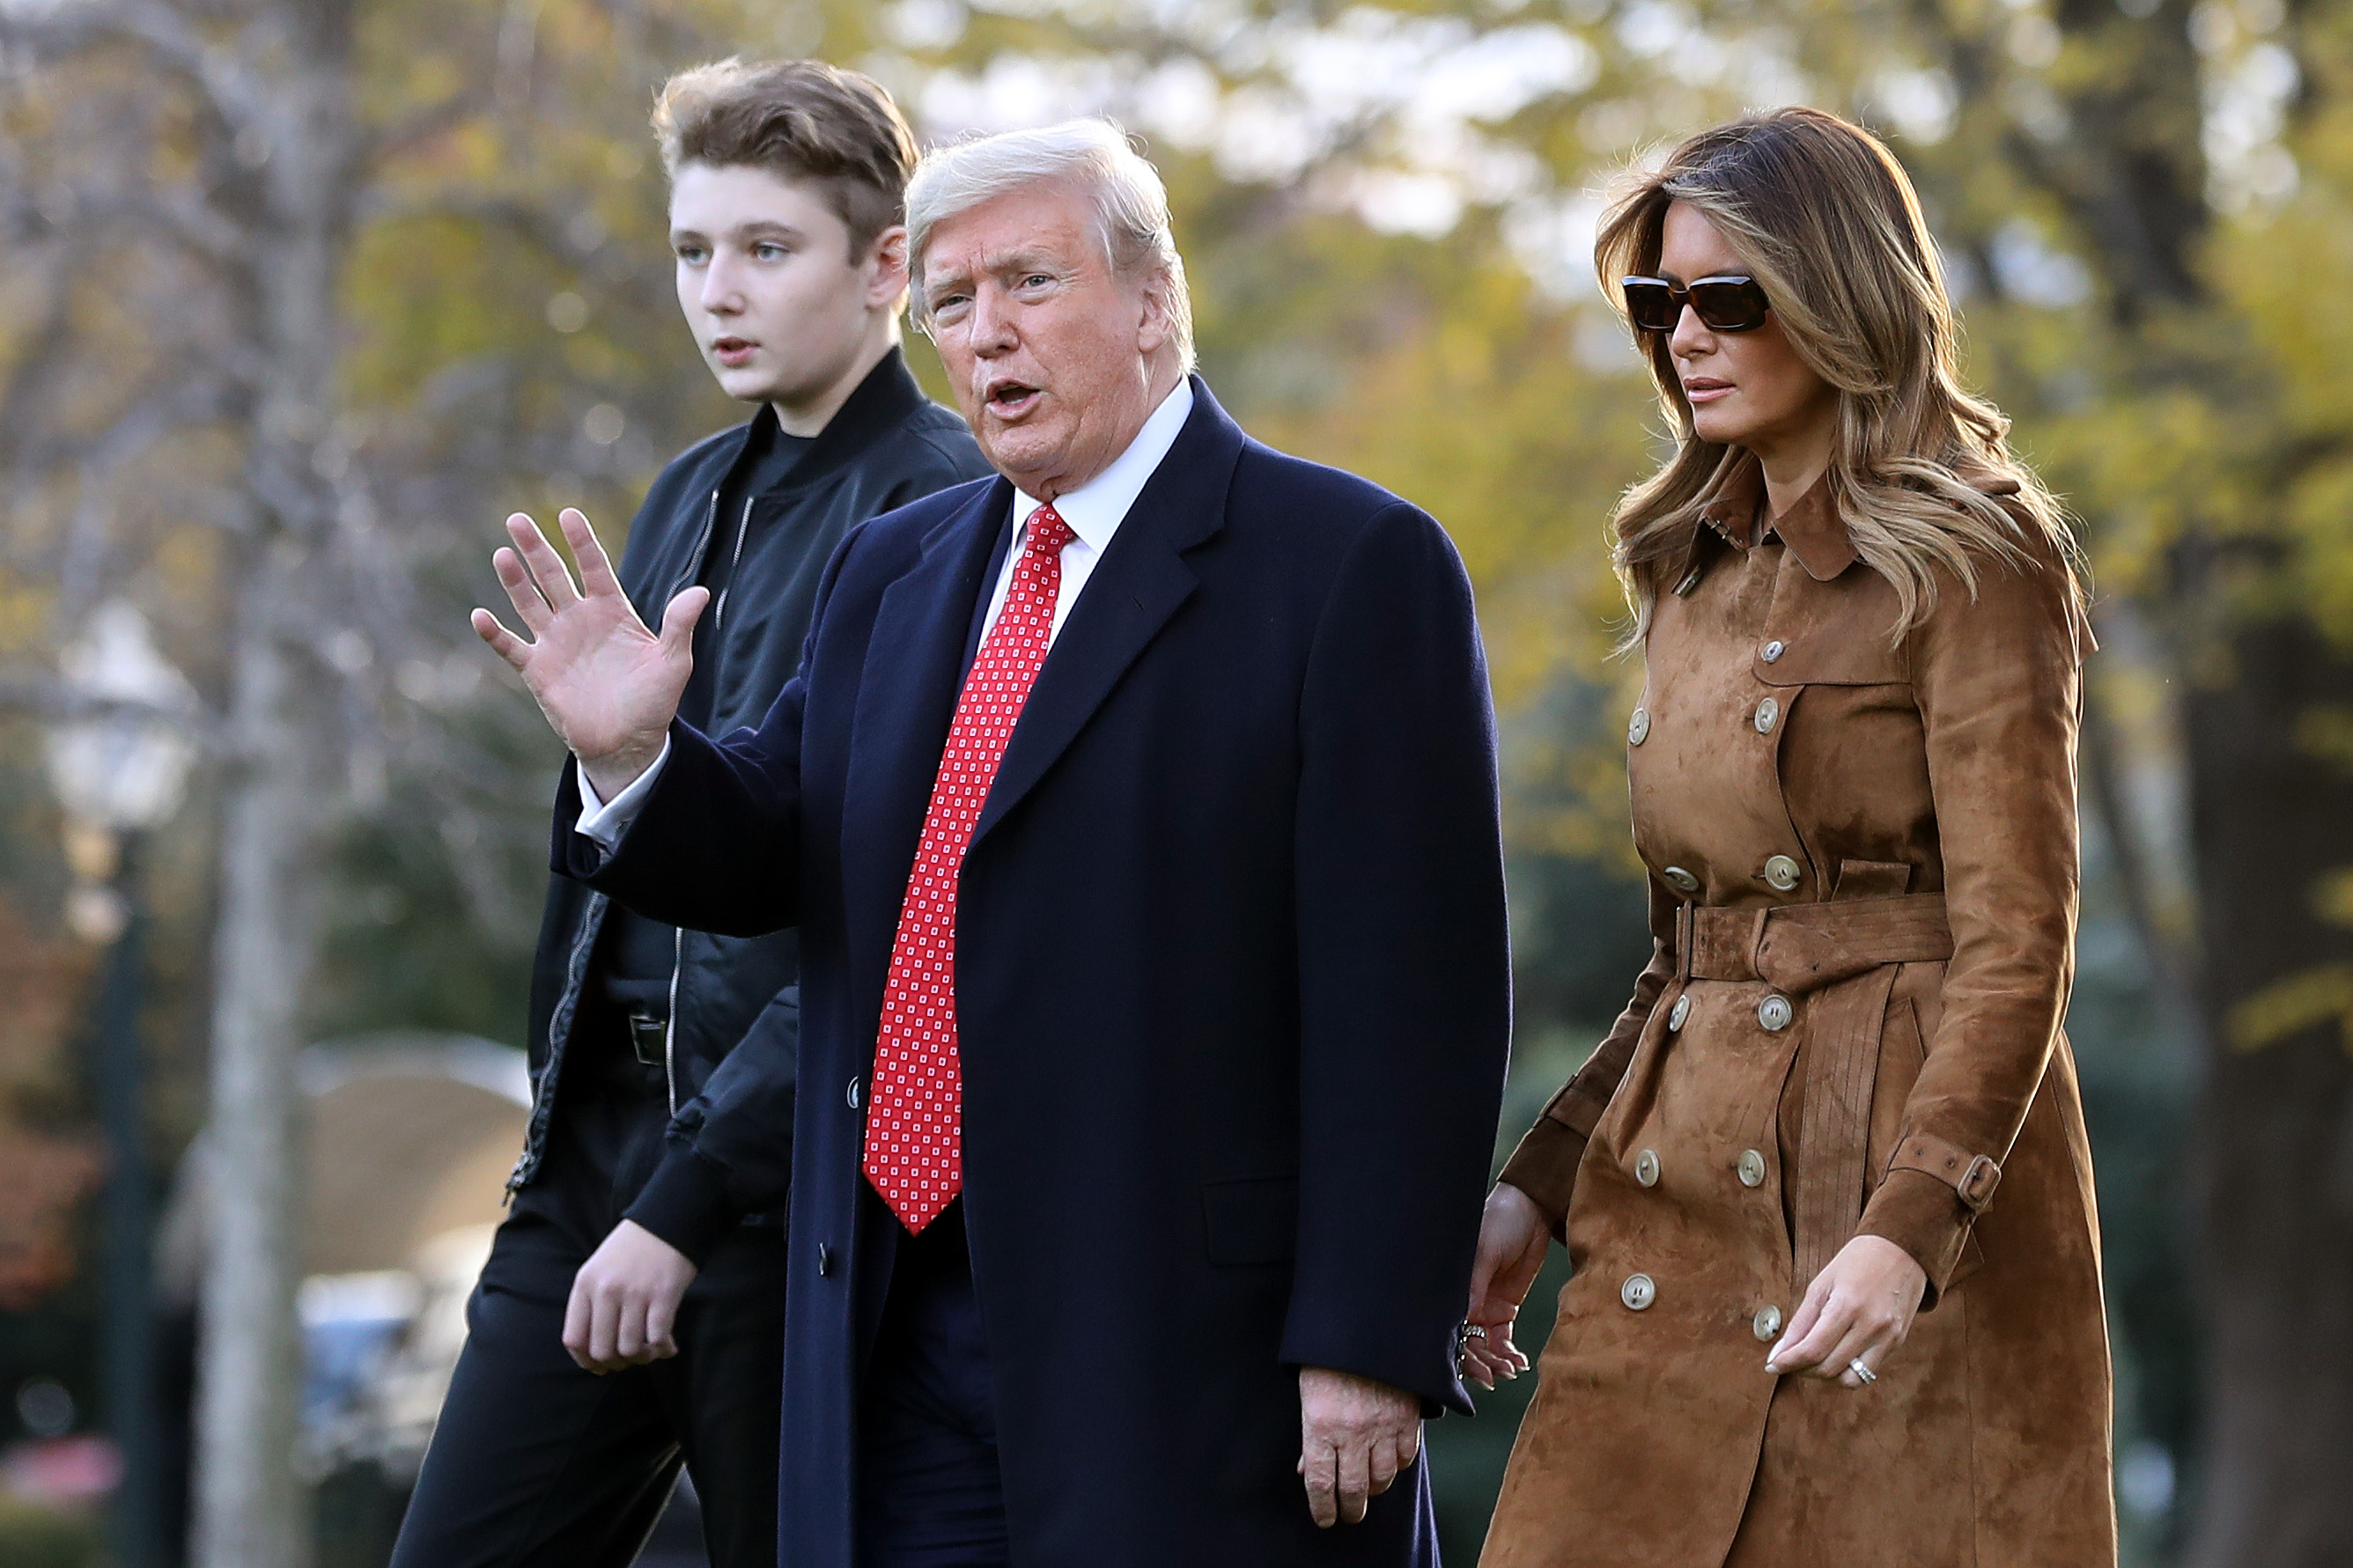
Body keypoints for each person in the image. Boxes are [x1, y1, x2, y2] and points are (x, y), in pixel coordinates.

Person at [471, 118, 1512, 1567]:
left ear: (1153, 300)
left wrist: (1369, 1337)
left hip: (1190, 1354)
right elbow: (773, 839)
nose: (984, 333)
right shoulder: (894, 563)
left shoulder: (1345, 562)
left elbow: (1416, 995)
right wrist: (634, 756)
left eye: (1029, 282)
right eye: (953, 302)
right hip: (889, 1330)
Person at [1463, 107, 2115, 1567]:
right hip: (1677, 1212)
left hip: (1887, 1202)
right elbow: (1687, 952)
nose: (1684, 335)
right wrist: (1539, 1182)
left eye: (1727, 298)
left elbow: (2021, 942)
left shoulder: (1975, 548)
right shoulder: (1686, 561)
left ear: (1839, 293)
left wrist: (1911, 1223)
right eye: (1658, 300)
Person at [392, 60, 987, 1568]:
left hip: (790, 1190)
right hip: (588, 1152)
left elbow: (899, 915)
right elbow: (616, 870)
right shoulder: (681, 496)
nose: (719, 291)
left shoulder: (953, 513)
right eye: (692, 251)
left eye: (767, 250)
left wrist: (689, 1196)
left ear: (887, 270)